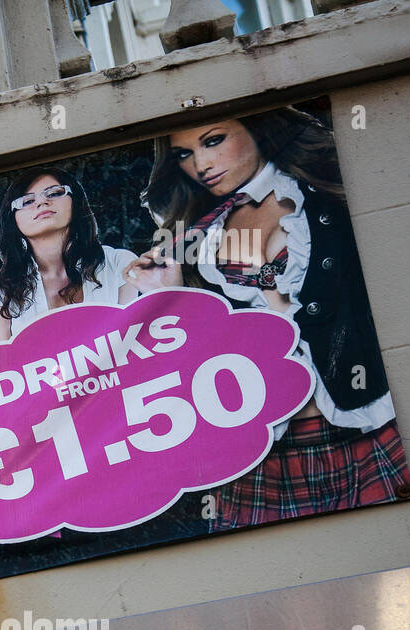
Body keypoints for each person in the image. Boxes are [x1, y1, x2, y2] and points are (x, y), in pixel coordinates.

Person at [130, 107, 409, 529]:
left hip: (370, 426)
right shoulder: (195, 238)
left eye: (213, 140)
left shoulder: (332, 189)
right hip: (262, 452)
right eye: (183, 155)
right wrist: (171, 295)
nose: (201, 165)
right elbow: (199, 358)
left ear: (256, 126)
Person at [0, 167, 140, 342]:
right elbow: (0, 367)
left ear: (75, 201)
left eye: (54, 193)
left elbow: (131, 342)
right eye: (27, 201)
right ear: (13, 220)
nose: (42, 202)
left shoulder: (118, 263)